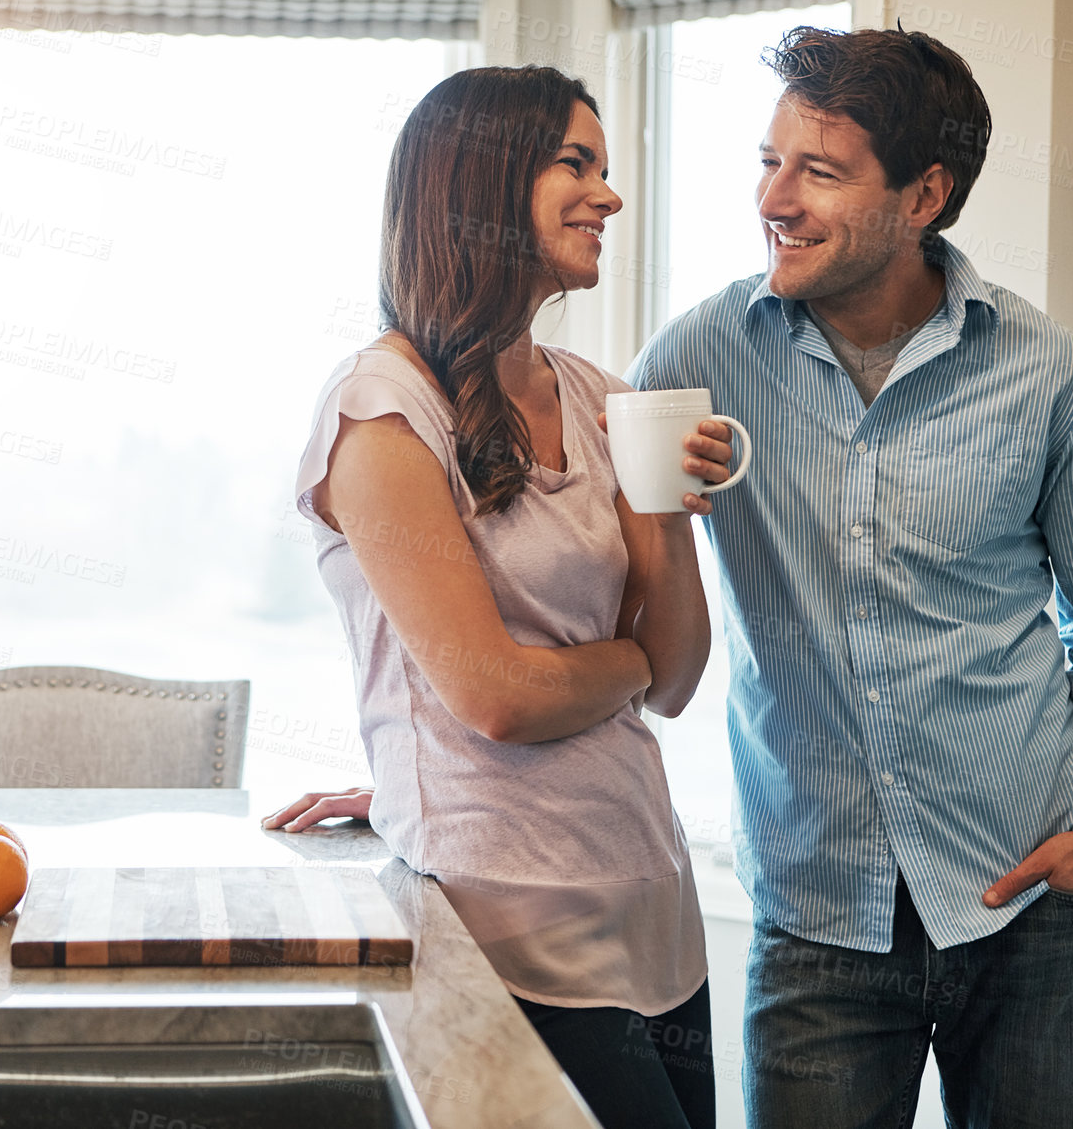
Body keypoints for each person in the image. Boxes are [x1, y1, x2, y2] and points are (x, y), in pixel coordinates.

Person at [623, 26, 1073, 1128]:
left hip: (1032, 899)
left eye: (817, 171)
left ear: (923, 194)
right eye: (767, 160)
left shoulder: (1050, 378)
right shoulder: (693, 361)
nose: (772, 197)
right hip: (818, 911)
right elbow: (594, 598)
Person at [262, 65, 731, 1129]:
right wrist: (623, 664)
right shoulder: (381, 413)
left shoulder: (605, 399)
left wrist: (659, 511)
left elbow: (681, 679)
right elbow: (497, 700)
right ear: (476, 183)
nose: (607, 195)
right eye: (575, 163)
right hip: (509, 932)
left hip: (655, 910)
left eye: (607, 169)